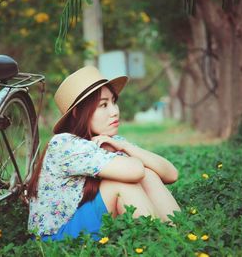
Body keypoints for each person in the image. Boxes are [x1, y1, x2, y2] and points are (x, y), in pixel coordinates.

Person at [27, 66, 180, 241]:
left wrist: (126, 147)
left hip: (82, 224)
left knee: (149, 174)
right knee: (123, 184)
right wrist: (123, 150)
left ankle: (174, 238)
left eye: (114, 102)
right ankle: (160, 244)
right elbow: (135, 171)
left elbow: (171, 174)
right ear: (78, 113)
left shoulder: (108, 141)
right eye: (103, 105)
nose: (115, 111)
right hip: (55, 237)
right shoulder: (64, 144)